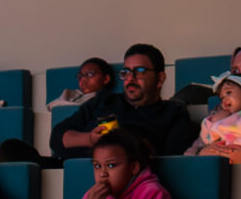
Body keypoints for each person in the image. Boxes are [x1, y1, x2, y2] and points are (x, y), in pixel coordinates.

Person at [57, 46, 196, 160]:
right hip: (77, 168)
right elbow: (57, 137)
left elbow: (174, 161)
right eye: (126, 72)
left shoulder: (173, 112)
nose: (131, 78)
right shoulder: (103, 100)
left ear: (160, 79)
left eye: (139, 71)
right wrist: (90, 139)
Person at [68, 125, 176, 199]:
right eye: (97, 166)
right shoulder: (92, 197)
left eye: (111, 165)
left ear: (133, 167)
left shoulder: (151, 194)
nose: (103, 174)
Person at [191, 72, 241, 162]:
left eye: (229, 92)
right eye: (222, 98)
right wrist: (212, 120)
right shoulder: (223, 120)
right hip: (218, 167)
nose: (224, 100)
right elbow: (205, 140)